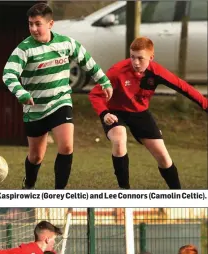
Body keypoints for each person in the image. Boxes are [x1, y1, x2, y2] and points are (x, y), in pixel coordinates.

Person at [2, 2, 112, 189]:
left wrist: (104, 81)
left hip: (60, 101)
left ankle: (59, 191)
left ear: (50, 24)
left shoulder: (66, 43)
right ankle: (28, 186)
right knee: (36, 156)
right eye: (30, 24)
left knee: (67, 146)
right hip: (35, 109)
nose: (34, 28)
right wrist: (21, 93)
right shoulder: (24, 49)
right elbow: (8, 74)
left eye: (38, 24)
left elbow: (87, 60)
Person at [89, 37, 208, 189]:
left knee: (163, 157)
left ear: (151, 58)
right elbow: (95, 94)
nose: (135, 62)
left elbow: (183, 87)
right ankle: (124, 192)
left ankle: (178, 195)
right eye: (132, 57)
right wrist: (104, 113)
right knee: (119, 138)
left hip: (140, 113)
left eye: (140, 58)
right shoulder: (117, 71)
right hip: (114, 112)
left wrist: (205, 105)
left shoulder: (156, 71)